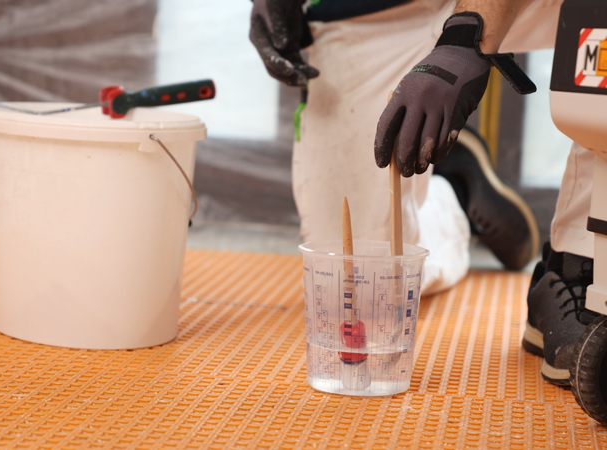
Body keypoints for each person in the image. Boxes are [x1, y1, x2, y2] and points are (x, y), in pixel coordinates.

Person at [250, 0, 595, 387]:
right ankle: (454, 195)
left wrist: (467, 32)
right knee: (362, 288)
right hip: (363, 14)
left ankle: (580, 262)